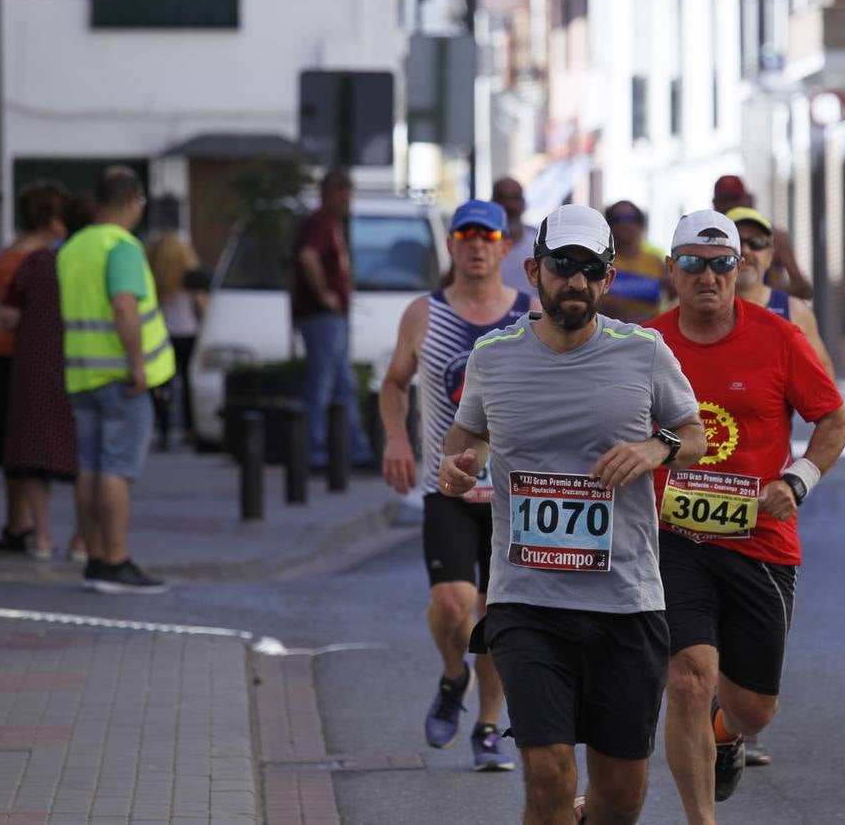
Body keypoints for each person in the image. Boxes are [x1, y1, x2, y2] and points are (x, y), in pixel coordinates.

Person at [438, 204, 705, 824]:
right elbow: (467, 443)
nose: (577, 283)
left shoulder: (644, 352)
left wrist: (653, 447)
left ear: (608, 280)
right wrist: (458, 468)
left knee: (618, 796)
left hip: (626, 601)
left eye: (592, 270)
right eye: (564, 267)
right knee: (550, 775)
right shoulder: (494, 356)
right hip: (529, 600)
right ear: (534, 269)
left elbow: (694, 436)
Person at [646, 210, 845, 820]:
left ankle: (728, 730)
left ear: (741, 268)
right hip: (672, 537)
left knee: (753, 707)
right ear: (671, 270)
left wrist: (799, 478)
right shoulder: (646, 348)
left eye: (720, 264)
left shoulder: (779, 338)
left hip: (759, 541)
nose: (706, 276)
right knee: (688, 676)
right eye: (691, 263)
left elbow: (835, 422)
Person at [379, 199, 535, 772]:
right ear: (451, 246)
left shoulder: (531, 314)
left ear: (503, 245)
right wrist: (397, 438)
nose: (475, 246)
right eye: (465, 235)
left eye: (486, 236)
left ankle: (489, 727)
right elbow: (394, 384)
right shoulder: (424, 313)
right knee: (453, 605)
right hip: (447, 488)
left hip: (514, 496)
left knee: (501, 615)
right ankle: (452, 678)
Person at [57, 166, 174, 594]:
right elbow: (124, 308)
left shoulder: (73, 248)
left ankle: (93, 557)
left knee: (88, 468)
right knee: (116, 470)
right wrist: (138, 365)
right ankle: (116, 559)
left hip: (82, 374)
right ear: (132, 201)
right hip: (122, 378)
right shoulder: (121, 246)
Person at [0, 181, 72, 558]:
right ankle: (25, 525)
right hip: (33, 356)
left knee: (12, 442)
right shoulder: (48, 260)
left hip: (3, 353)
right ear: (54, 220)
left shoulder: (9, 254)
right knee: (31, 440)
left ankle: (16, 522)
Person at [291, 168, 374, 470]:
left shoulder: (331, 224)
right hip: (322, 317)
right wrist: (325, 294)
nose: (346, 198)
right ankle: (315, 451)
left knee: (343, 384)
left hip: (331, 317)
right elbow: (307, 257)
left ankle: (355, 449)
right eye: (340, 191)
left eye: (348, 191)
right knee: (323, 384)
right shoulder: (319, 224)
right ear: (326, 193)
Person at [727, 206, 834, 380]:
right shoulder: (692, 309)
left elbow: (823, 376)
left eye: (757, 243)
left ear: (770, 256)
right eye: (737, 242)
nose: (746, 250)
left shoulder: (795, 312)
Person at [148, 230, 208, 449]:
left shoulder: (155, 276)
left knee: (164, 386)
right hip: (189, 334)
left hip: (164, 335)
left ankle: (163, 430)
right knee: (189, 384)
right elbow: (201, 306)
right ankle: (190, 428)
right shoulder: (191, 276)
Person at [711, 174, 814, 301]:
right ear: (715, 203)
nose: (729, 205)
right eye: (724, 200)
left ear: (748, 199)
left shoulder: (775, 237)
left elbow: (803, 289)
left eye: (756, 243)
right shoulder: (708, 241)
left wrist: (762, 293)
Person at [598, 200, 671, 324]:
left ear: (641, 224)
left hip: (650, 333)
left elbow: (677, 297)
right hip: (609, 334)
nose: (625, 224)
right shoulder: (599, 261)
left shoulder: (656, 262)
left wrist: (661, 319)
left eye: (631, 218)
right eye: (617, 219)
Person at [493, 177, 538, 295]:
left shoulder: (540, 243)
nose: (509, 205)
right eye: (502, 198)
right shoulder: (479, 246)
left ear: (524, 204)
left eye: (515, 198)